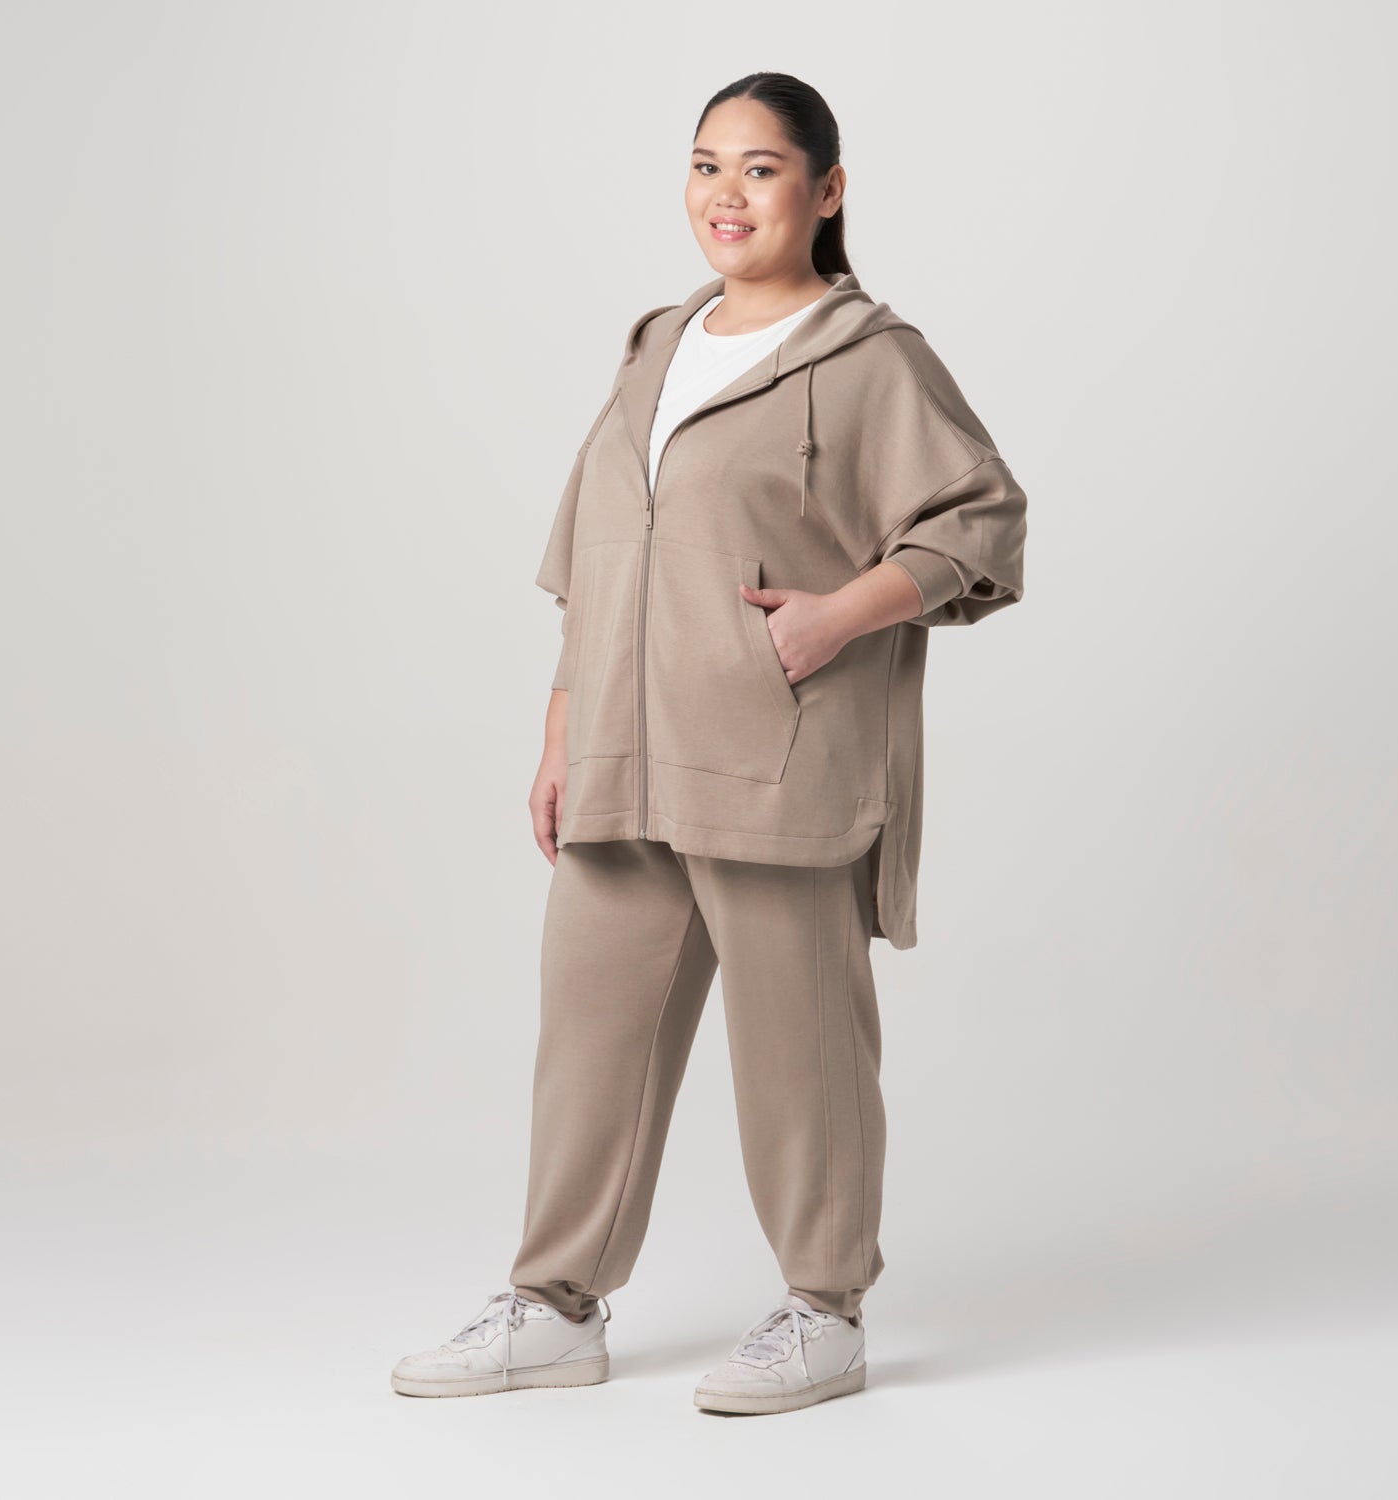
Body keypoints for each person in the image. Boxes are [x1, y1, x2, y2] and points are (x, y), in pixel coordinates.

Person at [391, 71, 1028, 1417]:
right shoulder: (657, 343)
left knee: (801, 1047)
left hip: (776, 757)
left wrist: (836, 616)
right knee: (590, 1039)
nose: (724, 195)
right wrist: (562, 733)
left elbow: (979, 519)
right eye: (704, 165)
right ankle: (555, 1305)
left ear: (827, 190)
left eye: (759, 168)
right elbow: (596, 556)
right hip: (625, 754)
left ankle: (824, 1312)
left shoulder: (871, 357)